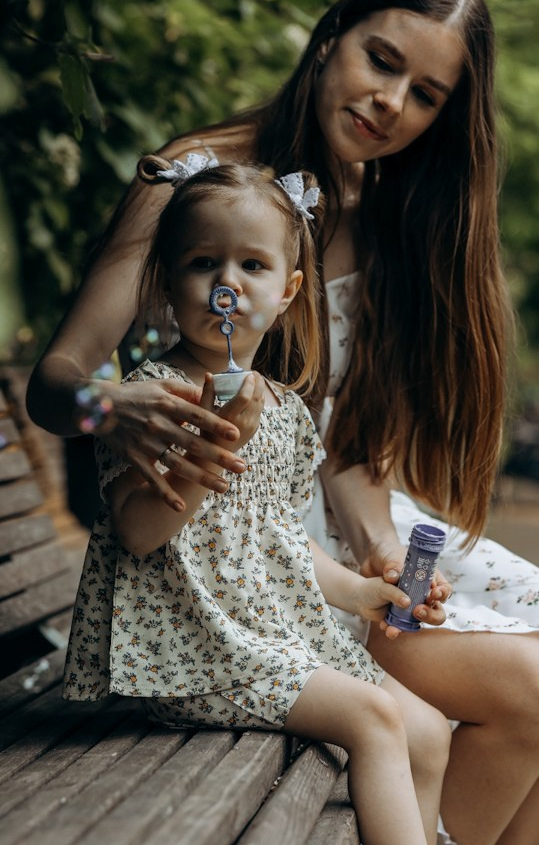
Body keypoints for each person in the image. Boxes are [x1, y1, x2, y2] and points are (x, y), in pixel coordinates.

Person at [28, 0, 539, 843]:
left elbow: (346, 453)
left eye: (423, 96)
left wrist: (383, 551)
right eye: (381, 61)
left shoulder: (386, 225)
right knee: (530, 695)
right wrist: (109, 408)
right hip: (235, 550)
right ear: (331, 34)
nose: (390, 103)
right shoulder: (195, 184)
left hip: (335, 543)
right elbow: (59, 380)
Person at [64, 162, 450, 845]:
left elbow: (276, 539)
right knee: (373, 718)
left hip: (263, 639)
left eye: (251, 265)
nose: (226, 285)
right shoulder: (151, 399)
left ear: (287, 291)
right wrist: (218, 441)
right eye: (202, 262)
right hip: (186, 649)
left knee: (423, 729)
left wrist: (361, 593)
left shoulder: (284, 409)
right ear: (166, 283)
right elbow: (138, 532)